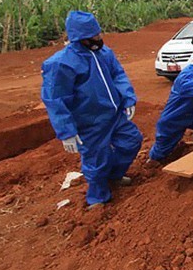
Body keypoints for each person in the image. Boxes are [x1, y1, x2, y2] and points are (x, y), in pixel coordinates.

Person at [41, 11, 142, 208]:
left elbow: (118, 75)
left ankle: (114, 176)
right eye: (93, 36)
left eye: (98, 33)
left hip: (114, 115)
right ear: (80, 38)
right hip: (90, 122)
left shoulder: (104, 54)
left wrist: (128, 98)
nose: (98, 38)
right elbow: (55, 99)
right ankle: (97, 198)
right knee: (96, 160)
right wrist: (67, 131)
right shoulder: (61, 63)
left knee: (132, 141)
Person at [148, 49, 193, 163]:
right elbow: (190, 88)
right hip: (175, 117)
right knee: (164, 145)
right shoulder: (186, 76)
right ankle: (154, 162)